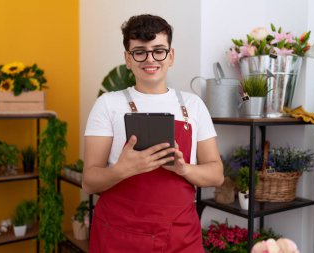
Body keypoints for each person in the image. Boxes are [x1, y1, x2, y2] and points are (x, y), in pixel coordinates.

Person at [83, 14, 224, 253]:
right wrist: (122, 169)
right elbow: (89, 181)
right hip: (119, 236)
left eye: (158, 50)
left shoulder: (193, 105)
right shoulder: (108, 104)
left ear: (171, 56)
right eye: (140, 52)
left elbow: (216, 175)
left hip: (180, 234)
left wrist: (184, 169)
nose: (150, 59)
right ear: (128, 58)